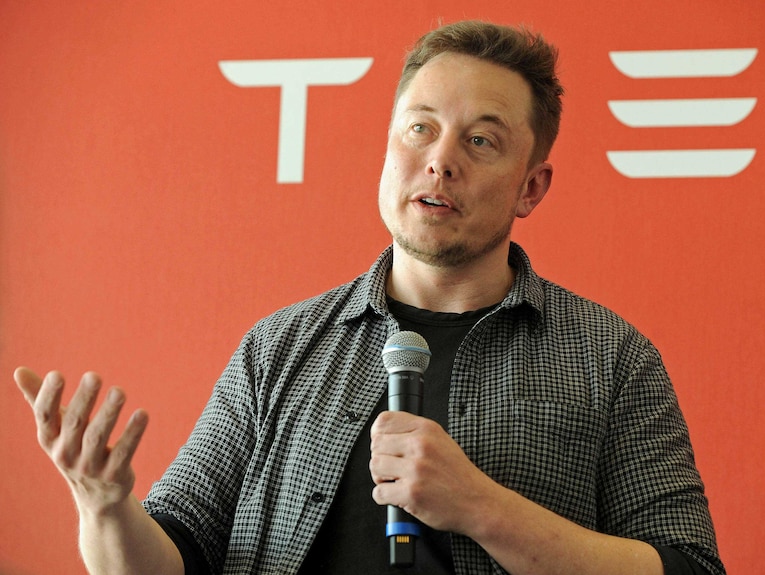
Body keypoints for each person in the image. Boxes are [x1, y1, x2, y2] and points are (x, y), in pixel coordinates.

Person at [14, 20, 725, 575]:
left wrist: (483, 507)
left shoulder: (611, 357)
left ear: (530, 187)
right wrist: (104, 506)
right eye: (420, 128)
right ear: (388, 149)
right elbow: (173, 551)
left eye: (481, 141)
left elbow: (686, 564)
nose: (440, 158)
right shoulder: (279, 347)